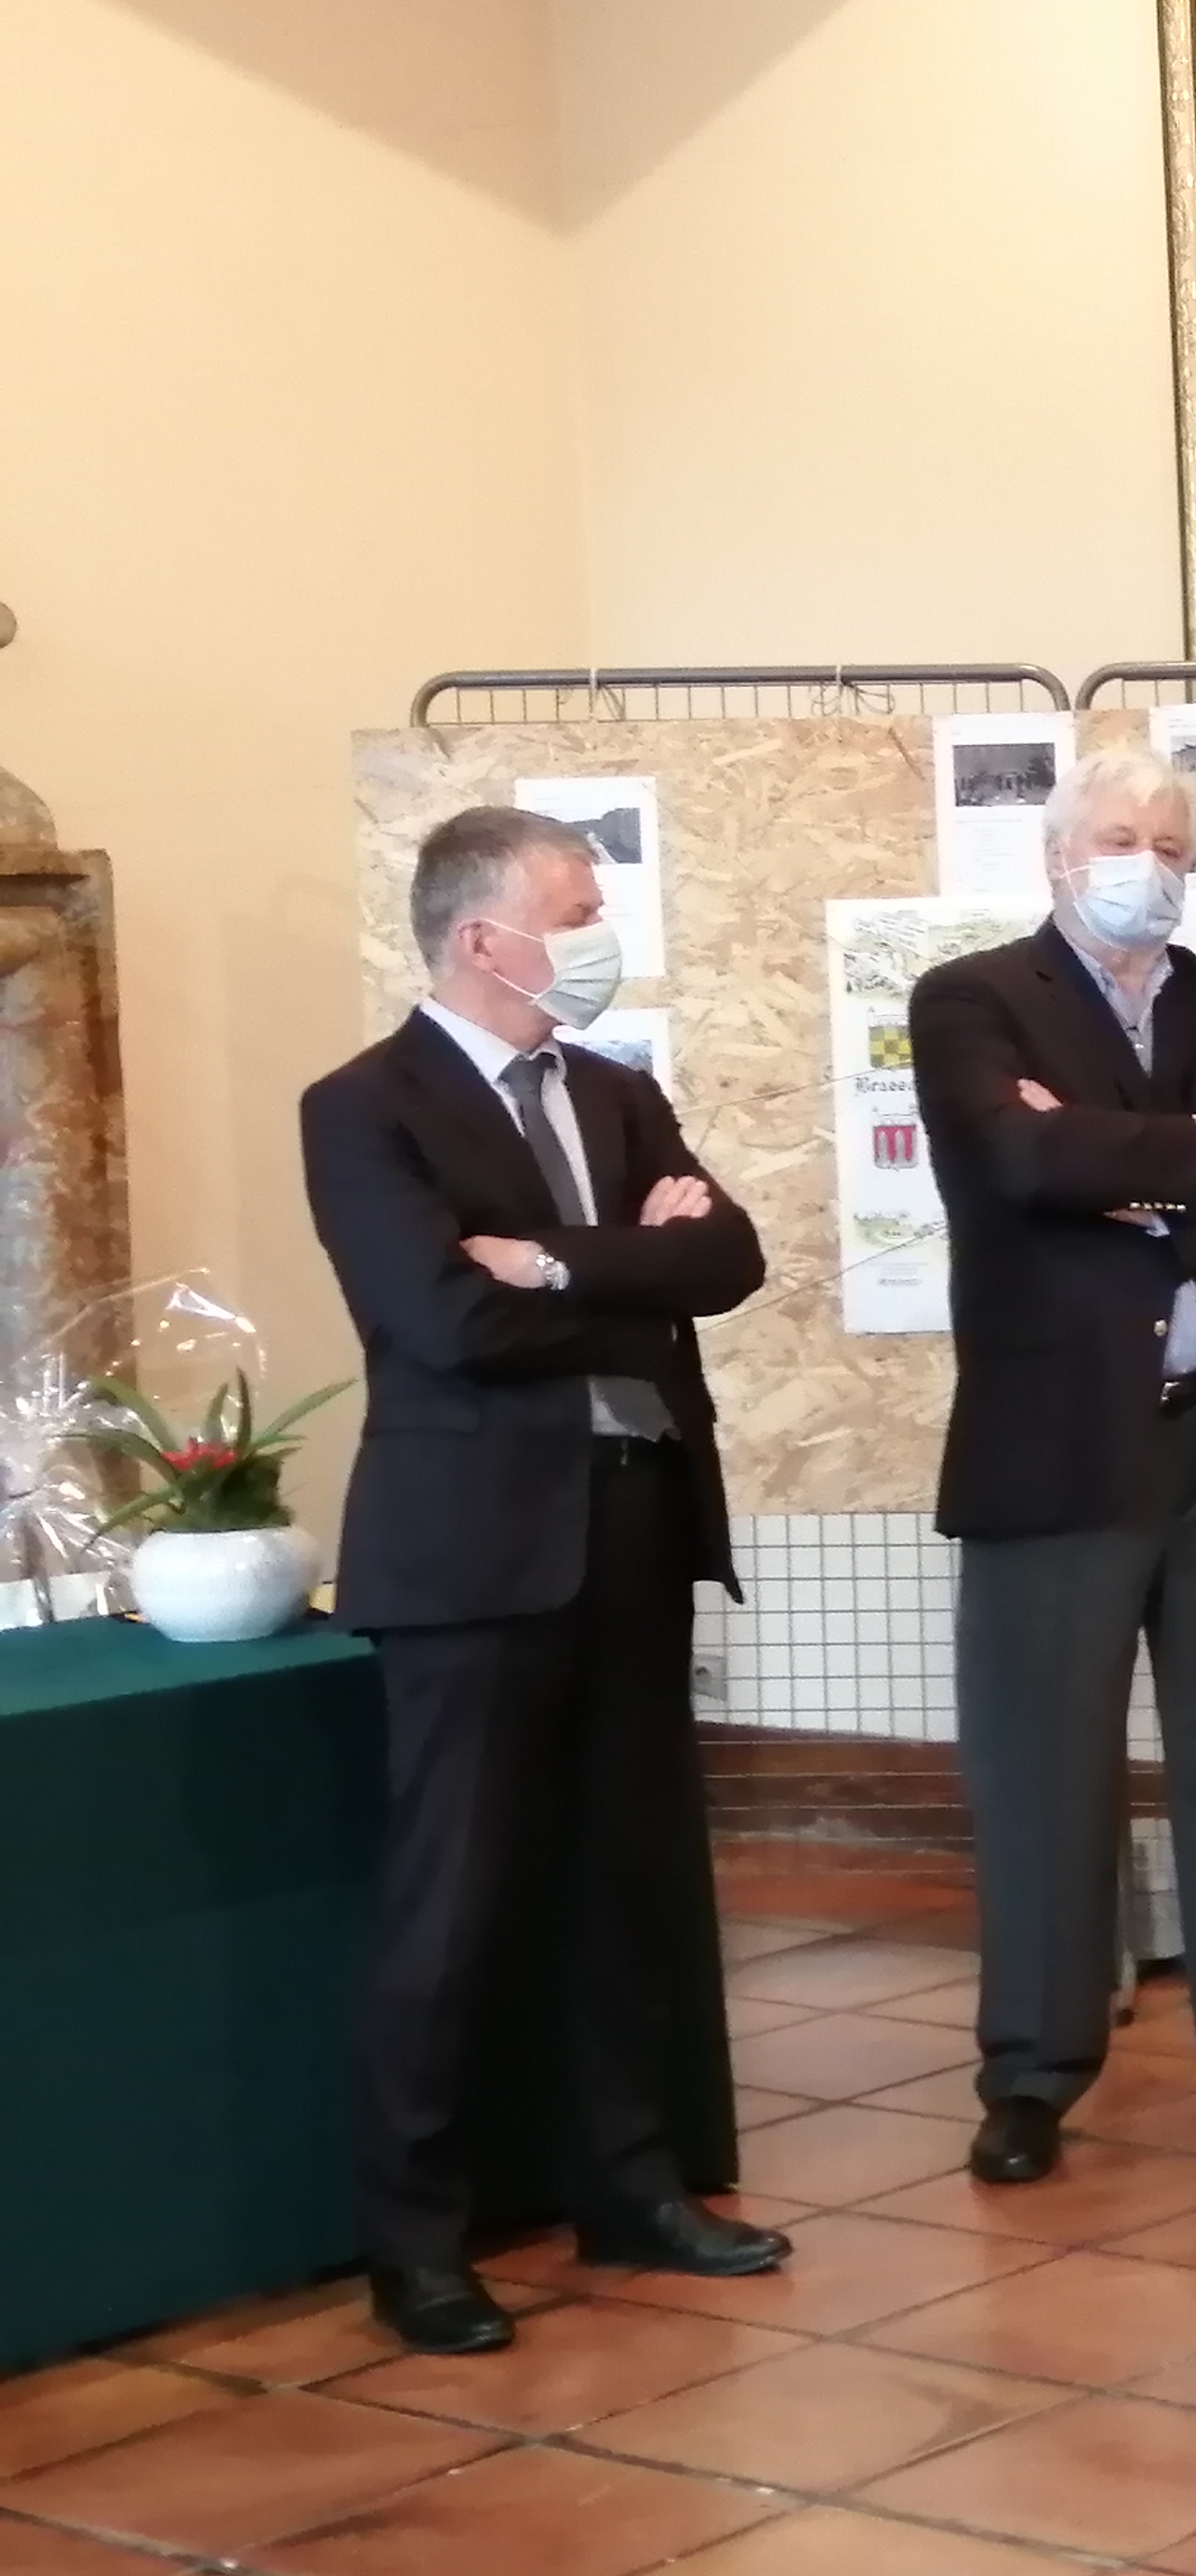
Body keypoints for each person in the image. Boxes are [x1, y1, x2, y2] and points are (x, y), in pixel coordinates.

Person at [303, 806, 785, 2356]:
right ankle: (418, 2246)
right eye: (574, 912)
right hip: (471, 1552)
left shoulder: (618, 1091)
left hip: (637, 1518)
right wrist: (626, 1268)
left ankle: (631, 2190)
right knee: (453, 1906)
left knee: (623, 1883)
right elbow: (445, 1324)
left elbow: (729, 1263)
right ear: (480, 938)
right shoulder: (363, 1109)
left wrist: (552, 1260)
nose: (597, 935)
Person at [908, 742, 1196, 2186]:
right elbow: (1019, 1167)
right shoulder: (972, 999)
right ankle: (1033, 2070)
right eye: (1120, 839)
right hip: (1054, 1443)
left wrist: (1129, 1172)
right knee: (1043, 1770)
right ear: (1058, 856)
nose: (1148, 866)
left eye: (1173, 845)